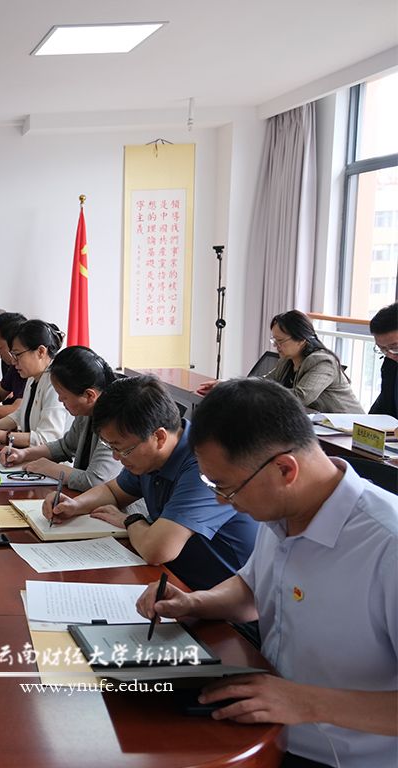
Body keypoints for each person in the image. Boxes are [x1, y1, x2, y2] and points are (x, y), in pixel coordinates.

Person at [136, 378, 397, 768]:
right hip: (266, 731)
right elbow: (252, 591)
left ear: (285, 469)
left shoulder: (386, 544)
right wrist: (195, 602)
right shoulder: (282, 511)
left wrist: (304, 701)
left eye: (226, 487)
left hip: (339, 757)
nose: (220, 500)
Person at [45, 375, 258, 591]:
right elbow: (113, 491)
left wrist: (131, 520)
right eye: (111, 447)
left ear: (159, 437)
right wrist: (74, 505)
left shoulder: (204, 464)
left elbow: (158, 550)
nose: (117, 458)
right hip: (176, 580)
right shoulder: (149, 456)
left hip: (220, 597)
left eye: (122, 449)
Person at [0, 346, 142, 518]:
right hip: (89, 506)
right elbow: (65, 446)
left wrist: (51, 468)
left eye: (64, 396)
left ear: (89, 395)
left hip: (119, 514)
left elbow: (95, 480)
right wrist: (25, 454)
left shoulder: (114, 421)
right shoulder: (86, 411)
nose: (60, 400)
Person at [198, 310, 363, 413]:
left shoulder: (322, 361)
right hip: (317, 426)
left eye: (281, 341)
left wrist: (254, 392)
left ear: (301, 339)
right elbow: (265, 381)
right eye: (274, 340)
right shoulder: (287, 359)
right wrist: (229, 385)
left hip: (348, 432)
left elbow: (300, 397)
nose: (276, 346)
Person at [0, 319, 70, 448]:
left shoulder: (56, 383)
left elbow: (47, 438)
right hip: (29, 454)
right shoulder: (33, 376)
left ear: (41, 351)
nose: (13, 362)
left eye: (18, 355)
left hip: (49, 459)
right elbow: (19, 414)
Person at [369, 301, 397, 418]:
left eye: (395, 348)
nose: (390, 355)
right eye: (383, 349)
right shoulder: (391, 365)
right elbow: (381, 408)